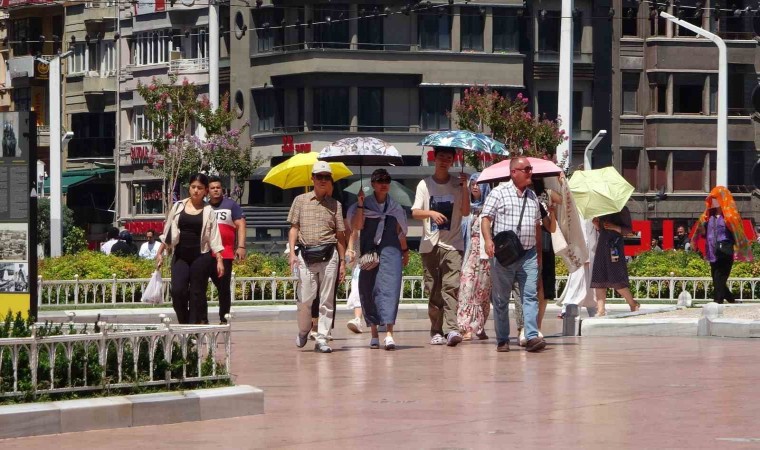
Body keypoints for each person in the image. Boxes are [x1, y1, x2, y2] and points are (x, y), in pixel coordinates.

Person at [481, 157, 545, 353]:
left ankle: (532, 336)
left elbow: (537, 227)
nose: (530, 172)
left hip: (528, 254)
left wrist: (538, 253)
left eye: (530, 169)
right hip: (505, 256)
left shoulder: (533, 197)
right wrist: (488, 240)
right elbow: (486, 218)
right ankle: (502, 339)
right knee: (500, 299)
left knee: (530, 296)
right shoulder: (498, 193)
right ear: (513, 172)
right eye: (525, 169)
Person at [411, 147, 470, 347]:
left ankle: (453, 329)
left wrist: (465, 188)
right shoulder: (424, 185)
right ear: (434, 159)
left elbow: (466, 211)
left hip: (453, 244)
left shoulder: (458, 184)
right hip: (430, 244)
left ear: (453, 160)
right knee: (434, 289)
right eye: (441, 157)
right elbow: (415, 212)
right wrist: (431, 213)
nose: (444, 161)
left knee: (451, 287)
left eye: (448, 158)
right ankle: (436, 330)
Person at [289, 161, 346, 354]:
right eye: (319, 176)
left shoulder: (335, 205)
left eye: (326, 177)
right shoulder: (300, 200)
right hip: (305, 254)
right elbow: (294, 228)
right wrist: (291, 253)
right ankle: (304, 329)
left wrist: (344, 262)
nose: (322, 180)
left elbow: (340, 235)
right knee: (306, 298)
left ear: (330, 180)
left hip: (330, 255)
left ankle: (322, 337)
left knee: (327, 299)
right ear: (312, 178)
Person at [349, 169, 409, 350]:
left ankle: (389, 333)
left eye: (387, 180)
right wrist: (360, 204)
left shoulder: (395, 207)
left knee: (391, 289)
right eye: (379, 180)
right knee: (369, 289)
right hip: (369, 252)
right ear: (372, 184)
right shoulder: (364, 205)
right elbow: (357, 227)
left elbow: (400, 231)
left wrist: (405, 250)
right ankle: (374, 333)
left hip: (391, 251)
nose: (384, 183)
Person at [156, 173, 225, 324]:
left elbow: (214, 237)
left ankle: (192, 328)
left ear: (205, 191)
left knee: (196, 294)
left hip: (201, 257)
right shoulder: (178, 206)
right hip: (180, 255)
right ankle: (184, 322)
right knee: (177, 291)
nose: (196, 191)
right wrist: (160, 252)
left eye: (200, 188)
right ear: (189, 188)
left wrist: (219, 259)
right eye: (193, 187)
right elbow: (168, 232)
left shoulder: (209, 211)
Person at [691, 186, 752, 304]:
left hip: (725, 252)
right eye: (711, 198)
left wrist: (739, 249)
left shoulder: (730, 217)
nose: (712, 201)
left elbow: (738, 235)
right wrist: (696, 240)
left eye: (715, 198)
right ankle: (731, 299)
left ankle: (717, 301)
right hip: (713, 253)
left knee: (720, 277)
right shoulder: (708, 217)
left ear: (722, 200)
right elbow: (700, 232)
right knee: (716, 278)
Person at [456, 172, 492, 341]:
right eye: (473, 183)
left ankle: (479, 326)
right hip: (469, 253)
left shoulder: (490, 209)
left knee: (482, 291)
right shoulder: (466, 207)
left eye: (479, 183)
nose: (475, 186)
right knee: (466, 288)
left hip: (485, 254)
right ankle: (465, 327)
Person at [208, 176, 246, 324]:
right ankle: (201, 319)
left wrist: (241, 246)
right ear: (208, 191)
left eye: (218, 187)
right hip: (206, 253)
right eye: (212, 188)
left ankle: (224, 318)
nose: (216, 190)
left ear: (222, 189)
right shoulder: (204, 207)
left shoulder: (231, 205)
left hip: (225, 253)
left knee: (223, 287)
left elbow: (241, 224)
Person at [591, 206, 640, 316]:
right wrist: (597, 225)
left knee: (617, 279)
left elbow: (628, 230)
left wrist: (615, 227)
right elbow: (601, 229)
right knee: (599, 279)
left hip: (615, 246)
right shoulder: (602, 209)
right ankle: (600, 310)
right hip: (602, 245)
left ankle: (633, 304)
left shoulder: (622, 209)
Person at [345, 221, 364, 334]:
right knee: (357, 292)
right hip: (359, 266)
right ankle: (357, 319)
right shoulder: (352, 237)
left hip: (375, 263)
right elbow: (349, 261)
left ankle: (381, 320)